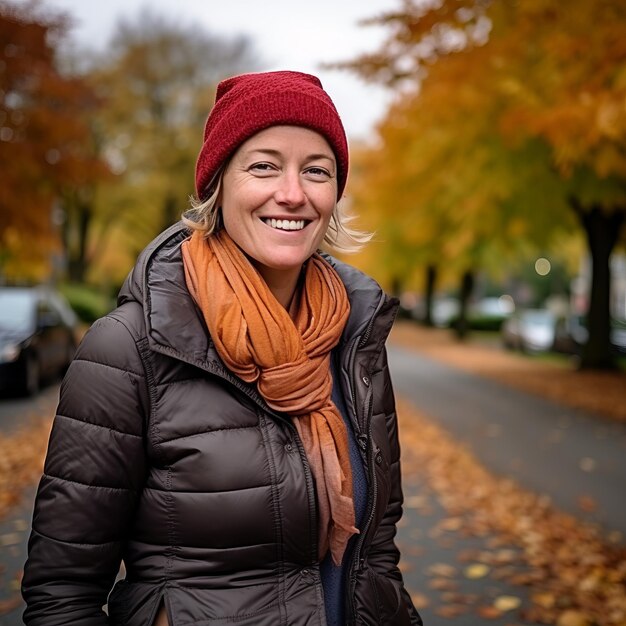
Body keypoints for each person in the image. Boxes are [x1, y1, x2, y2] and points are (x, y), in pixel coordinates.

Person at [22, 70, 422, 626]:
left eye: (316, 170)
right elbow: (62, 594)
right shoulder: (130, 347)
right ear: (218, 184)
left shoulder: (353, 340)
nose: (293, 192)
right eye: (263, 165)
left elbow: (376, 555)